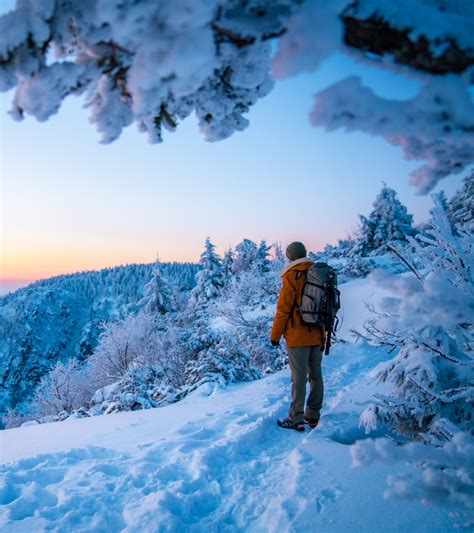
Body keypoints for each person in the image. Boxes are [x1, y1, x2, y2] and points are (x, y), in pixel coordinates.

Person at [271, 242, 325, 431]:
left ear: (290, 257)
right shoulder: (318, 273)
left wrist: (275, 335)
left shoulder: (292, 275)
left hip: (297, 336)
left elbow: (283, 309)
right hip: (318, 333)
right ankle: (313, 415)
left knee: (299, 377)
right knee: (316, 376)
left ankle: (296, 418)